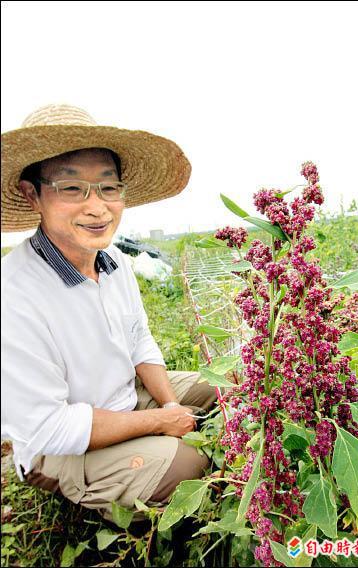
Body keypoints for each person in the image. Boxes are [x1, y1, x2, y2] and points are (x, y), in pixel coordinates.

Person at [1, 104, 217, 523]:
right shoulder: (14, 293)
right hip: (57, 445)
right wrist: (160, 422)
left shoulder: (112, 260)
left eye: (107, 188)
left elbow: (140, 341)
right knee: (186, 467)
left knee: (224, 388)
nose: (97, 208)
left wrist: (171, 407)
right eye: (71, 188)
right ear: (33, 195)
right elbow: (50, 426)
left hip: (125, 396)